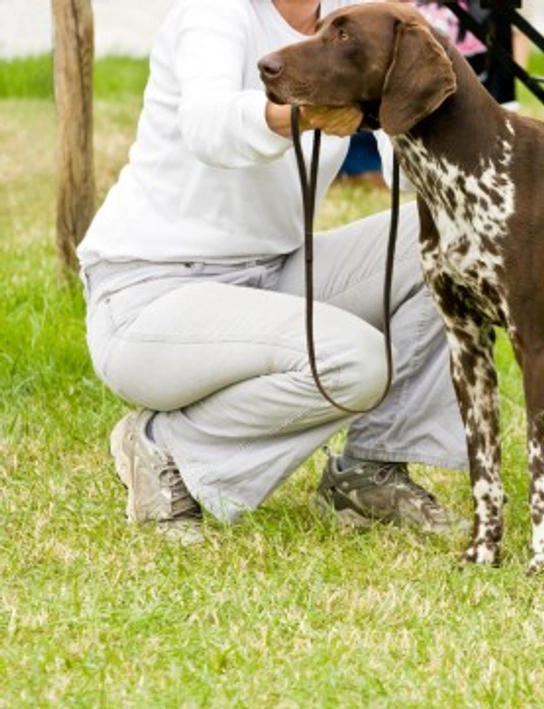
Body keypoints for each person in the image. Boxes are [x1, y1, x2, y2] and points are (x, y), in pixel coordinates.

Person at [77, 0, 469, 545]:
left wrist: (411, 87)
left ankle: (369, 470)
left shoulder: (352, 21)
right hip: (150, 292)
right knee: (354, 362)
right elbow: (209, 126)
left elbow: (402, 168)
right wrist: (301, 114)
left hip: (274, 270)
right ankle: (164, 443)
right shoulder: (214, 13)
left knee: (454, 237)